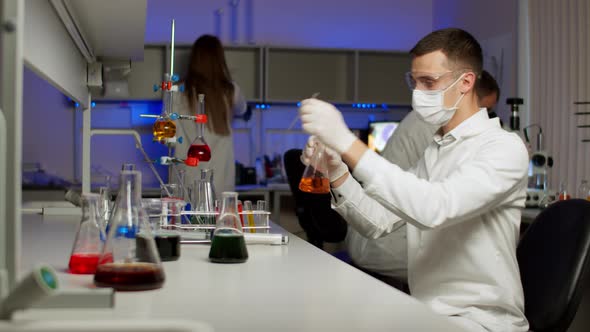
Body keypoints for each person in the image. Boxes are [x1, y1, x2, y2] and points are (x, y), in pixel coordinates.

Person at [299, 28, 529, 332]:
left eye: (429, 82)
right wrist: (338, 172)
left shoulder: (504, 147)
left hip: (479, 321)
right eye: (415, 81)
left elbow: (434, 209)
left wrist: (346, 142)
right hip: (427, 313)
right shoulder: (437, 148)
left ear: (466, 82)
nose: (418, 93)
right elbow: (377, 222)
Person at [343, 71, 503, 290]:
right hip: (385, 244)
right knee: (479, 267)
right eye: (486, 109)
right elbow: (444, 201)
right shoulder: (441, 126)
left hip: (379, 233)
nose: (488, 117)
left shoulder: (434, 121)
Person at [173, 34, 248, 195]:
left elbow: (169, 137)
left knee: (184, 219)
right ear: (220, 60)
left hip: (185, 180)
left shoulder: (177, 92)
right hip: (220, 181)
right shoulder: (230, 92)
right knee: (219, 218)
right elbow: (242, 109)